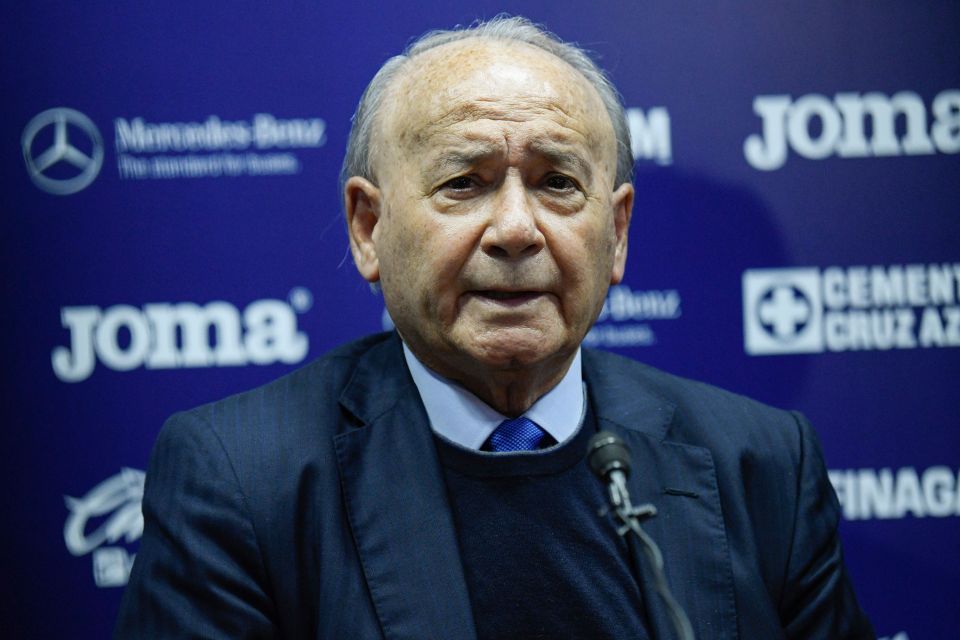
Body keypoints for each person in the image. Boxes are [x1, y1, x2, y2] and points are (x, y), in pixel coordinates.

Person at [115, 16, 874, 639]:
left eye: (557, 182)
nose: (515, 229)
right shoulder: (241, 480)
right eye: (464, 183)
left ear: (617, 233)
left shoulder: (762, 463)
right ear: (369, 228)